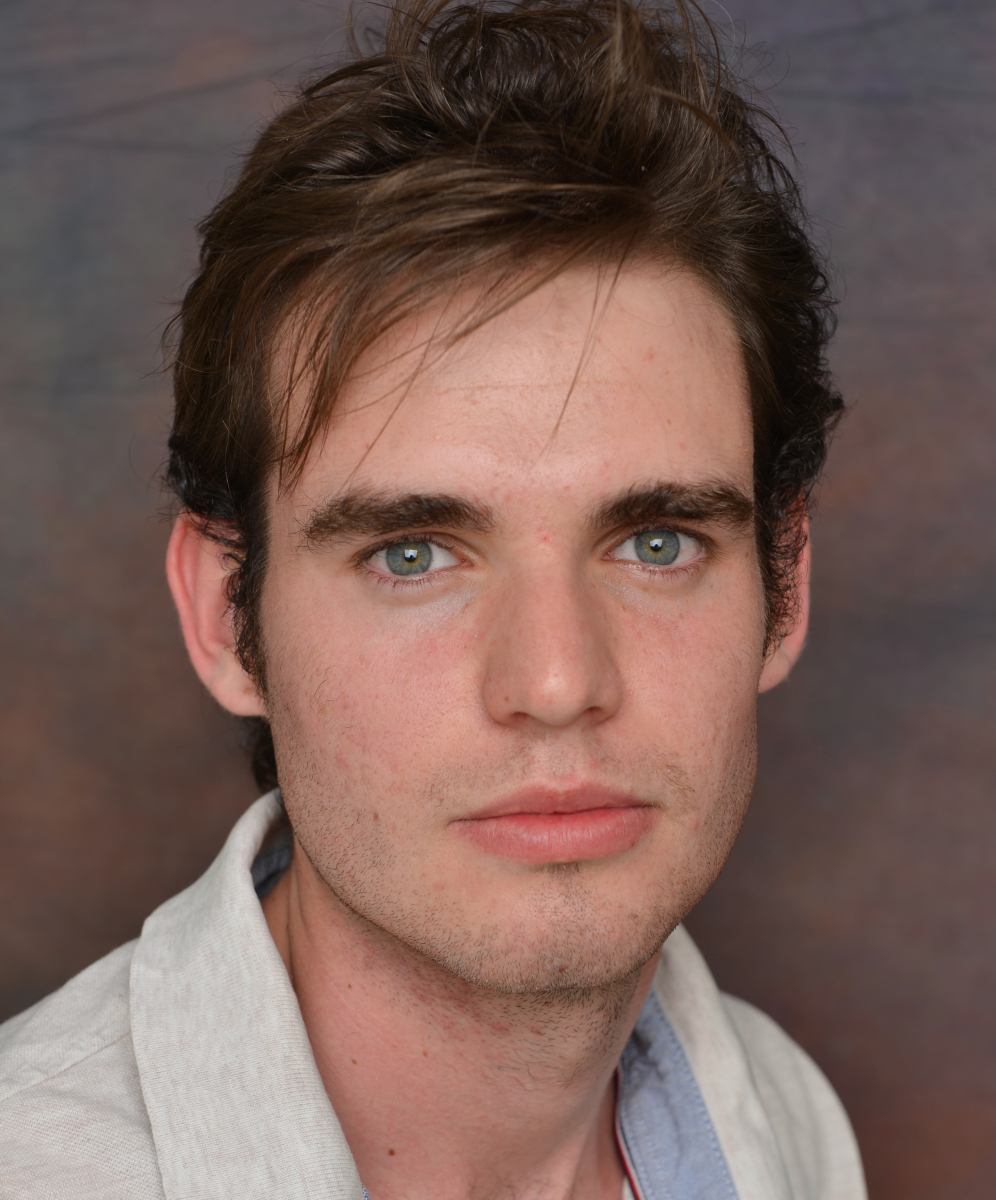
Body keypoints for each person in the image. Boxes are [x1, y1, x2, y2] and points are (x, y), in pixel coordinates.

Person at [0, 1, 866, 1196]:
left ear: (785, 584)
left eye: (656, 542)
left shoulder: (789, 1122)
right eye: (412, 554)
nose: (555, 681)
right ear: (226, 617)